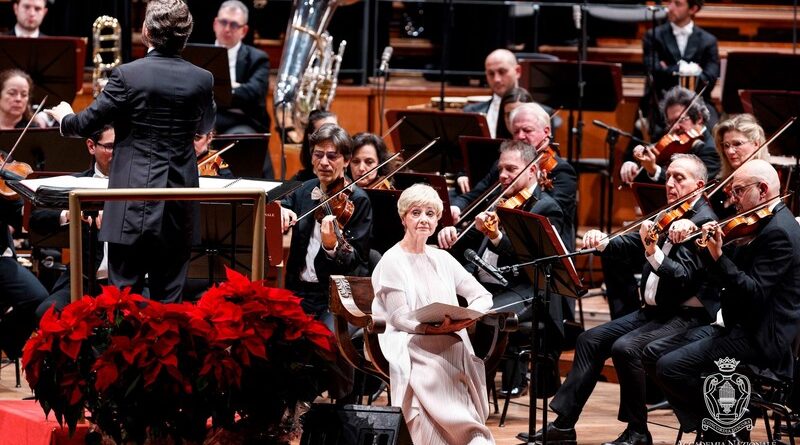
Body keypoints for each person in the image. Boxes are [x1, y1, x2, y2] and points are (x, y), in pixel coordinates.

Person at [518, 154, 719, 445]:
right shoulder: (672, 214)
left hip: (682, 317)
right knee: (589, 340)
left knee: (625, 348)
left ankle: (638, 431)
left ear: (699, 185)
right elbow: (633, 243)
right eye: (668, 178)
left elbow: (684, 277)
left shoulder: (703, 222)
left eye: (679, 178)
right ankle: (564, 425)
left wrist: (653, 251)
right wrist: (604, 241)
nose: (670, 184)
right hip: (652, 312)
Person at [46, 0, 216, 303]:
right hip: (179, 204)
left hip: (130, 202)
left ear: (146, 31)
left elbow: (86, 123)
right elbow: (205, 124)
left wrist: (64, 118)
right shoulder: (202, 79)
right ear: (186, 36)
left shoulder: (128, 76)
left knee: (122, 303)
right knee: (169, 304)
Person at [643, 159, 800, 442]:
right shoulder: (759, 223)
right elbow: (723, 279)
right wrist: (703, 247)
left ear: (762, 190)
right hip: (735, 322)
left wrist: (718, 256)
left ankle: (725, 428)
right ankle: (723, 425)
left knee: (671, 367)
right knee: (652, 354)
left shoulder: (779, 232)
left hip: (761, 336)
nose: (731, 201)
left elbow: (752, 293)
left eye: (738, 191)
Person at [439, 139, 567, 397]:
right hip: (484, 285)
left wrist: (498, 237)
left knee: (479, 315)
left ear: (532, 169)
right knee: (438, 304)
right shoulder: (498, 200)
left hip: (524, 290)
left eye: (511, 169)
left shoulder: (546, 208)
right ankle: (446, 382)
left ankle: (472, 391)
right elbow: (471, 242)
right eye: (501, 169)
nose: (503, 175)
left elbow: (536, 260)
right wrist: (454, 234)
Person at [372, 183, 495, 445]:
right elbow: (399, 317)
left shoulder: (443, 258)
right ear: (403, 217)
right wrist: (429, 329)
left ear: (438, 219)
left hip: (450, 336)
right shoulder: (391, 260)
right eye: (416, 212)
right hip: (412, 342)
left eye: (430, 213)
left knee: (458, 348)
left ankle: (470, 433)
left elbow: (483, 295)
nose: (423, 220)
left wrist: (471, 315)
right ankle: (469, 434)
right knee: (434, 363)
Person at [279, 124, 372, 323]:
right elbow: (278, 201)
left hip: (334, 296)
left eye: (332, 156)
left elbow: (357, 260)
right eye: (318, 154)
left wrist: (332, 246)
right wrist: (281, 209)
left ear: (346, 161)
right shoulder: (304, 189)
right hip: (297, 290)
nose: (323, 163)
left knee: (327, 342)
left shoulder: (358, 200)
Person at [30, 125, 115, 318]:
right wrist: (71, 213)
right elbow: (37, 218)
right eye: (109, 146)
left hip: (127, 281)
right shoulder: (77, 183)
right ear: (91, 146)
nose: (116, 153)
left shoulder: (137, 184)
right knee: (47, 313)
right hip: (82, 279)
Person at [640, 0, 720, 133]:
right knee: (659, 135)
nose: (669, 8)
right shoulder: (653, 36)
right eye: (669, 2)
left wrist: (668, 69)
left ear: (693, 9)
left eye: (677, 4)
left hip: (699, 102)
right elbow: (652, 70)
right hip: (662, 101)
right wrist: (691, 70)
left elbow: (710, 77)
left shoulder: (709, 40)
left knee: (713, 134)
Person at [621, 86, 720, 186]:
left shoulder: (711, 150)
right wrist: (634, 165)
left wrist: (654, 170)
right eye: (670, 122)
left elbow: (691, 188)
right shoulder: (673, 141)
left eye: (680, 120)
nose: (675, 127)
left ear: (699, 118)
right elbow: (650, 168)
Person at [463, 49, 521, 139]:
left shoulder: (545, 113)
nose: (496, 79)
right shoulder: (470, 113)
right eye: (491, 73)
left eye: (502, 72)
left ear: (517, 71)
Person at [292, 110, 338, 182]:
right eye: (324, 132)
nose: (332, 136)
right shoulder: (299, 181)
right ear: (310, 138)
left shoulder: (351, 178)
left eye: (336, 131)